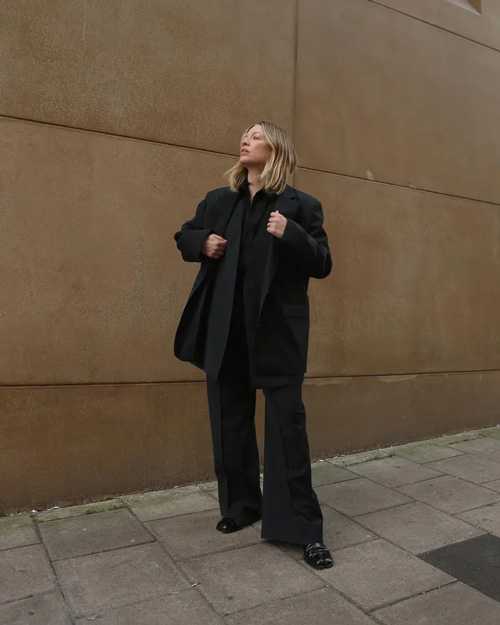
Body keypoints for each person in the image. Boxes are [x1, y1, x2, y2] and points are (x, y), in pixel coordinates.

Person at [174, 121, 333, 569]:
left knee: (287, 431)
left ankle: (302, 528)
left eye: (256, 135)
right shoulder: (218, 201)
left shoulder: (301, 206)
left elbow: (323, 262)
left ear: (275, 149)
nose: (245, 140)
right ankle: (241, 506)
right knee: (230, 423)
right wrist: (202, 242)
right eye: (245, 135)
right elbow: (183, 235)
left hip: (277, 334)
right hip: (226, 331)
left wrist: (291, 233)